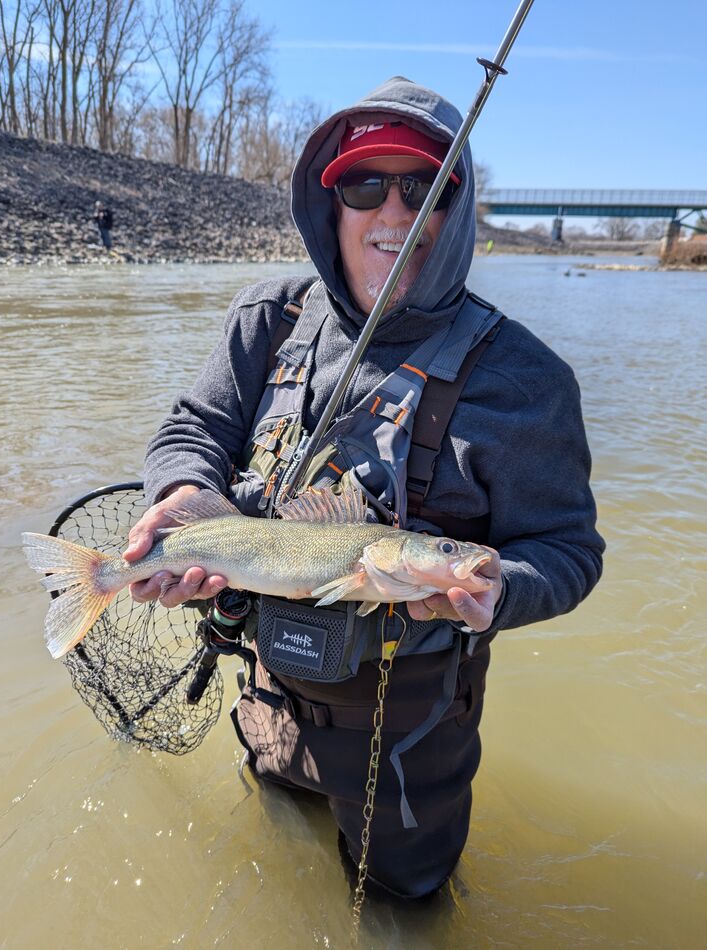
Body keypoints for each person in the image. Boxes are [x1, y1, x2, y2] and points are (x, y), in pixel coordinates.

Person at [122, 77, 604, 899]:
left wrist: (500, 592)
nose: (393, 213)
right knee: (274, 858)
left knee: (402, 907)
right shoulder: (266, 319)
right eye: (363, 185)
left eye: (422, 188)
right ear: (329, 204)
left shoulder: (527, 381)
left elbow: (566, 551)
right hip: (264, 682)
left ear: (457, 209)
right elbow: (192, 429)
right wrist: (183, 490)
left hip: (410, 731)